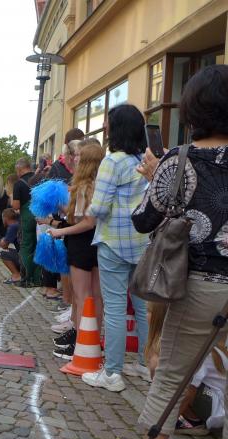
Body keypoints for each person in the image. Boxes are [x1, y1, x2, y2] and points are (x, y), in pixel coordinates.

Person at [121, 66, 228, 439]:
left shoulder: (180, 160)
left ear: (193, 109)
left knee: (170, 378)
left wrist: (155, 177)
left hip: (198, 284)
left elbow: (144, 220)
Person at [70, 104, 151, 392]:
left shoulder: (112, 162)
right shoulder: (146, 159)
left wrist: (88, 209)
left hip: (114, 242)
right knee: (141, 308)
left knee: (115, 308)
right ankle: (145, 363)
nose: (105, 127)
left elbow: (100, 207)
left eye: (107, 124)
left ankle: (112, 373)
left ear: (116, 129)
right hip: (141, 242)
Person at [48, 142, 105, 360]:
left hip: (81, 244)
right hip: (98, 243)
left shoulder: (83, 187)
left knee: (82, 298)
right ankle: (92, 342)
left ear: (87, 161)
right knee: (96, 298)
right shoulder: (100, 185)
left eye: (79, 155)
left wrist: (59, 231)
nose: (75, 159)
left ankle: (81, 345)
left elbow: (85, 222)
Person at [11, 158, 39, 287]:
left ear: (19, 169)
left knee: (26, 247)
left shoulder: (19, 183)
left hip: (27, 219)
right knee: (39, 246)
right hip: (41, 217)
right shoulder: (39, 178)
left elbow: (16, 206)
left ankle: (27, 278)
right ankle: (39, 279)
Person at [0, 208, 21, 284]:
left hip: (23, 257)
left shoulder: (12, 227)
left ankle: (16, 275)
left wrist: (2, 240)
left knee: (2, 252)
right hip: (28, 254)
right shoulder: (18, 223)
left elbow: (3, 245)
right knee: (11, 250)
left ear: (5, 218)